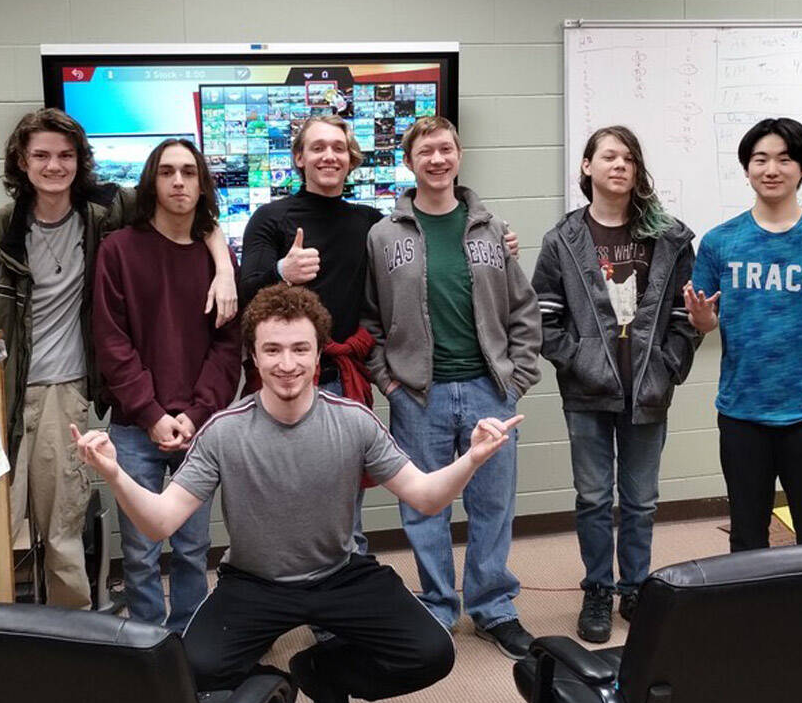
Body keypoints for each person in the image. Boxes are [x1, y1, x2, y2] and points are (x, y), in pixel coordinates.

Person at [73, 284, 522, 703]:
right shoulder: (224, 433)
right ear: (252, 354)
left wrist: (471, 458)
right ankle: (273, 686)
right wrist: (114, 474)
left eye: (299, 349)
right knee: (191, 669)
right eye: (272, 350)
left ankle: (324, 675)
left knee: (432, 654)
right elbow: (161, 522)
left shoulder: (353, 422)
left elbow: (425, 497)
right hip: (254, 581)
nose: (286, 364)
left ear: (318, 352)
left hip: (338, 573)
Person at [0, 108, 237, 609]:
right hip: (1, 393)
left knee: (63, 529)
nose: (55, 166)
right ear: (21, 162)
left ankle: (74, 639)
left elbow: (190, 207)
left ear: (80, 161)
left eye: (66, 156)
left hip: (66, 392)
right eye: (42, 156)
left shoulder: (101, 214)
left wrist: (224, 266)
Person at [240, 115, 520, 555]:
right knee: (277, 498)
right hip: (285, 378)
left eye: (338, 147)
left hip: (342, 381)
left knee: (345, 509)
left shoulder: (374, 225)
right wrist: (282, 271)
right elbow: (243, 290)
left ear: (351, 159)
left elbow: (380, 308)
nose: (328, 155)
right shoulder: (271, 218)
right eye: (317, 147)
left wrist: (499, 244)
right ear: (299, 157)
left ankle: (342, 612)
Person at [363, 116, 542, 660]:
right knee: (424, 507)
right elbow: (369, 321)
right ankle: (438, 605)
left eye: (446, 149)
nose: (437, 160)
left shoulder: (491, 228)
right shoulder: (383, 234)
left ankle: (493, 607)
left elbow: (523, 309)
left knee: (492, 503)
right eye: (426, 152)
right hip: (419, 395)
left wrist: (519, 377)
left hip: (489, 389)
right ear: (410, 161)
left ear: (458, 156)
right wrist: (388, 382)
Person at [532, 125, 701, 643]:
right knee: (592, 496)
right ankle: (598, 590)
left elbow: (686, 315)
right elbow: (544, 317)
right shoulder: (564, 239)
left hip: (648, 389)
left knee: (641, 499)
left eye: (628, 157)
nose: (619, 165)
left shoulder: (669, 237)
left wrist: (670, 363)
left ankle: (635, 589)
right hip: (587, 392)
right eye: (608, 156)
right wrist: (579, 360)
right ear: (587, 167)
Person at [686, 117, 802, 552]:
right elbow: (706, 321)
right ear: (747, 168)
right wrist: (700, 319)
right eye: (760, 159)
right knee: (747, 532)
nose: (771, 169)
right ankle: (753, 618)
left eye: (784, 160)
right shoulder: (720, 242)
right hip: (742, 409)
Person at [93, 138, 242, 633]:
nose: (178, 181)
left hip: (197, 430)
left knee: (192, 548)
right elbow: (112, 344)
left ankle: (187, 641)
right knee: (139, 552)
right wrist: (152, 414)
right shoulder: (118, 251)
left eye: (188, 172)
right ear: (151, 183)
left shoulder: (217, 260)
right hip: (136, 428)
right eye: (166, 172)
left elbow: (227, 348)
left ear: (202, 185)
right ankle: (146, 643)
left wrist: (196, 414)